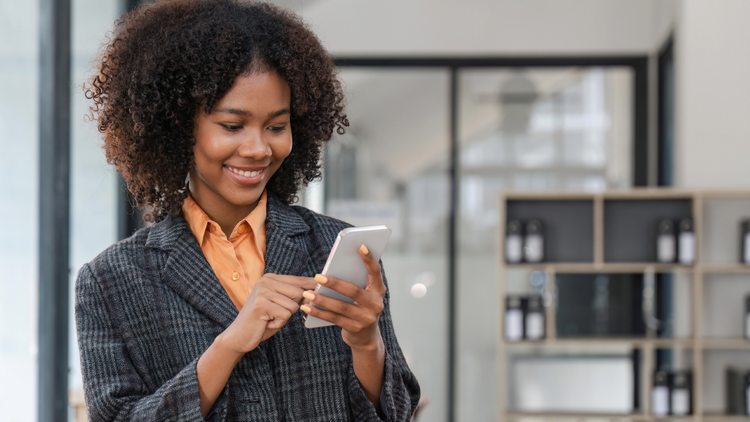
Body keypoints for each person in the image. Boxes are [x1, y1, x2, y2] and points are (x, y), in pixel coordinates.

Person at [75, 1, 420, 421]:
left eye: (277, 126)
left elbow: (397, 413)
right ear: (181, 126)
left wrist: (367, 343)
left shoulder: (335, 249)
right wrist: (229, 344)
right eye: (233, 126)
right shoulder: (112, 280)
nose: (258, 149)